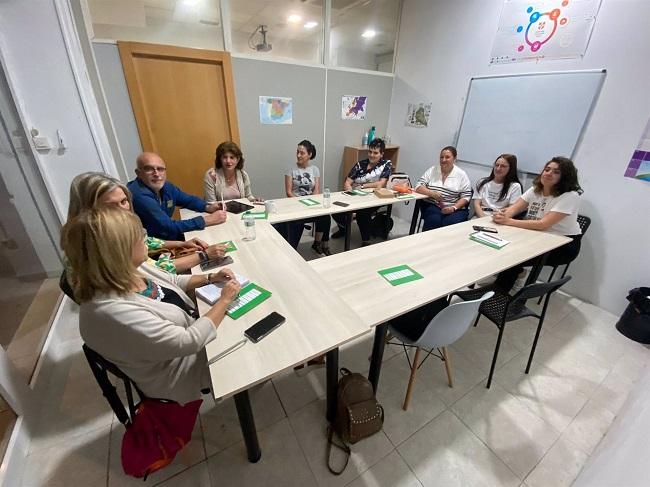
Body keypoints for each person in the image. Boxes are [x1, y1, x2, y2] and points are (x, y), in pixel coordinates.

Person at [61, 207, 241, 404]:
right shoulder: (109, 311)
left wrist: (209, 277)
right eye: (138, 236)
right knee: (252, 345)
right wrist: (224, 300)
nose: (146, 238)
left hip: (190, 332)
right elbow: (188, 341)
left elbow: (171, 280)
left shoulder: (124, 269)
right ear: (117, 251)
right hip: (183, 371)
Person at [68, 172, 225, 274]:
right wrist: (204, 256)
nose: (122, 210)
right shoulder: (102, 243)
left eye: (123, 202)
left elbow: (148, 242)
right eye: (110, 206)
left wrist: (182, 243)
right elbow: (157, 272)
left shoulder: (166, 188)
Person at [492, 156, 584, 293]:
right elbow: (516, 208)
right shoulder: (536, 188)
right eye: (547, 169)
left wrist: (508, 221)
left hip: (563, 244)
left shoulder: (570, 195)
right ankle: (515, 275)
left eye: (556, 172)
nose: (548, 173)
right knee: (502, 244)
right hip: (537, 235)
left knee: (514, 256)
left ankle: (499, 291)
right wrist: (504, 215)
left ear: (565, 177)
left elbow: (543, 224)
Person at [128, 152, 226, 241]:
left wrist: (207, 207)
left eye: (160, 169)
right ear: (138, 173)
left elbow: (187, 199)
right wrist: (207, 220)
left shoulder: (166, 186)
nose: (157, 174)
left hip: (169, 237)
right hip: (154, 247)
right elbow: (168, 226)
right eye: (149, 169)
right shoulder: (139, 195)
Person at [331, 138, 391, 247]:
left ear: (382, 154)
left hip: (375, 198)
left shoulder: (385, 165)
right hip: (356, 196)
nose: (372, 155)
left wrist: (363, 186)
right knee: (336, 209)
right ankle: (344, 229)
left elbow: (380, 184)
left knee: (362, 213)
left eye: (375, 153)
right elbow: (348, 182)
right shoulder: (360, 164)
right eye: (370, 152)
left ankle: (365, 240)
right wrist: (350, 193)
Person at [283, 140, 332, 255]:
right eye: (297, 152)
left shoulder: (315, 169)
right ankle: (292, 249)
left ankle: (318, 243)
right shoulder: (291, 169)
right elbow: (289, 192)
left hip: (311, 204)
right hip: (296, 205)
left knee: (325, 216)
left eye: (302, 153)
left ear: (309, 155)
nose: (298, 155)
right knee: (297, 222)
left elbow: (316, 190)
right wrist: (301, 203)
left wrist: (312, 203)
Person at [415, 146, 472, 230]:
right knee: (434, 220)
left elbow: (466, 196)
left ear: (454, 158)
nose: (443, 160)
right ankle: (428, 242)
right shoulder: (433, 170)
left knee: (450, 224)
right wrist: (432, 193)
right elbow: (418, 186)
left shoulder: (461, 174)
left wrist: (454, 208)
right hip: (433, 204)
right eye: (441, 157)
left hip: (453, 207)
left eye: (447, 157)